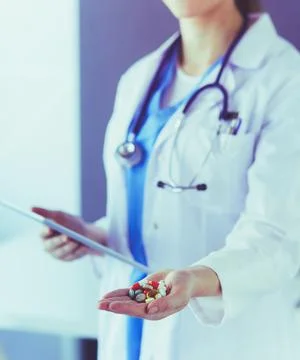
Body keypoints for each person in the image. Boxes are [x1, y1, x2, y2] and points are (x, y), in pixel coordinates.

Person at [33, 0, 300, 359]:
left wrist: (196, 280)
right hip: (130, 332)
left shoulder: (284, 79)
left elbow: (278, 238)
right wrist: (95, 236)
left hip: (228, 341)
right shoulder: (139, 79)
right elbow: (153, 211)